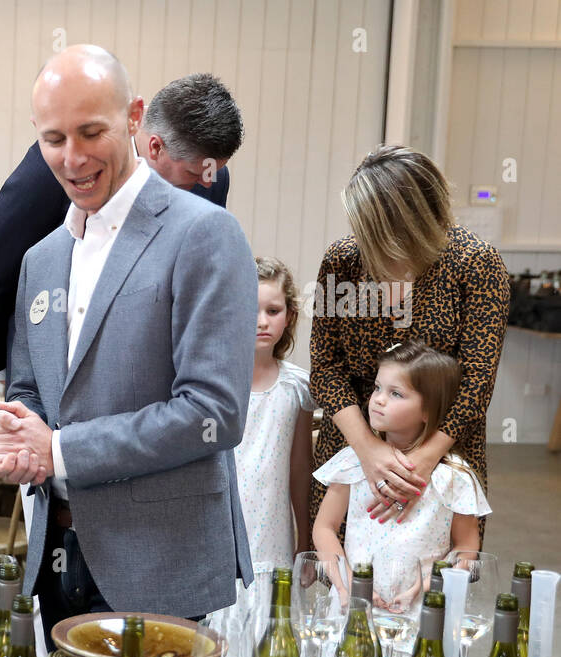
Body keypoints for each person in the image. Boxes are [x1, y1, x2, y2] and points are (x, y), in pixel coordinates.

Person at [0, 46, 256, 641]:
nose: (73, 158)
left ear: (135, 118)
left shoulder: (204, 234)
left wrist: (58, 449)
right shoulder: (42, 258)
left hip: (158, 564)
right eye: (54, 139)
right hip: (56, 559)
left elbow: (213, 413)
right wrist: (19, 435)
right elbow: (30, 385)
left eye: (91, 132)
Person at [0, 72, 243, 374]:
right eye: (194, 175)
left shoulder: (210, 176)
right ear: (155, 147)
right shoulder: (66, 161)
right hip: (56, 362)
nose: (205, 183)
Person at [309, 146, 509, 540]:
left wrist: (420, 462)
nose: (363, 239)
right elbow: (325, 367)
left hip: (440, 449)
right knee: (347, 579)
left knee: (429, 578)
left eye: (374, 228)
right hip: (352, 446)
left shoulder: (475, 263)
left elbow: (475, 382)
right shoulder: (343, 260)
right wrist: (368, 449)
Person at [313, 341, 489, 600]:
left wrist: (430, 587)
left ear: (428, 410)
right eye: (377, 388)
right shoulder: (353, 463)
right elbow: (324, 527)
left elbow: (466, 547)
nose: (378, 400)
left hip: (423, 610)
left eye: (396, 393)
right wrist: (348, 584)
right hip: (355, 605)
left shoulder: (453, 477)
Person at [214, 257, 315, 630]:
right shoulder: (214, 384)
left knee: (270, 648)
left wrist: (305, 536)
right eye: (249, 309)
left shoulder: (296, 388)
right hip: (219, 539)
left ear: (288, 316)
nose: (261, 321)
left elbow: (300, 469)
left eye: (273, 310)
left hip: (272, 540)